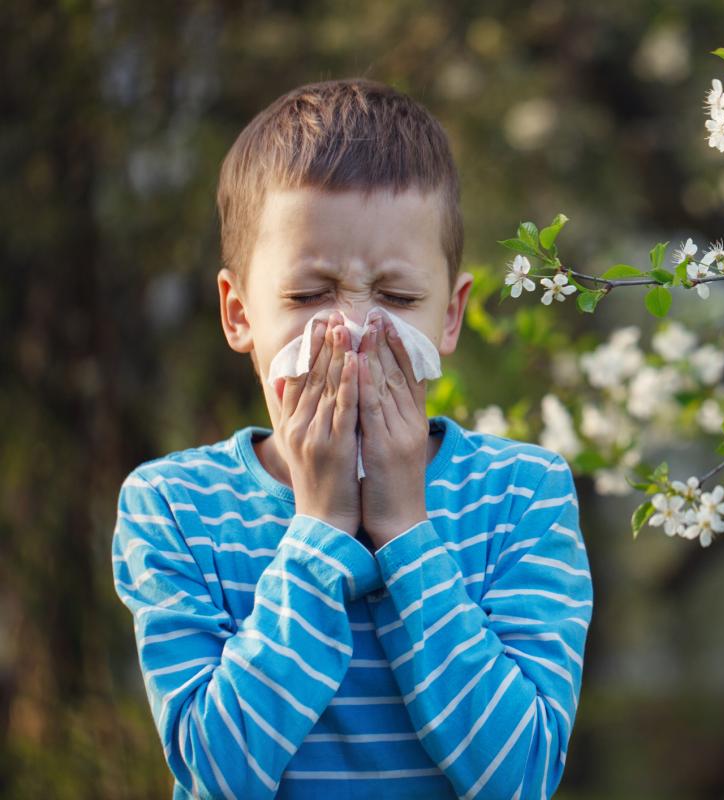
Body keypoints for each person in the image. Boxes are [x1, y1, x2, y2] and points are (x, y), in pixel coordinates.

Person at [110, 78, 592, 799]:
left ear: (451, 317)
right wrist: (318, 531)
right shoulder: (174, 506)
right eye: (308, 296)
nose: (357, 332)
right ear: (238, 314)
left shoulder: (524, 494)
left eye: (397, 299)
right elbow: (217, 774)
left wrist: (404, 530)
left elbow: (519, 777)